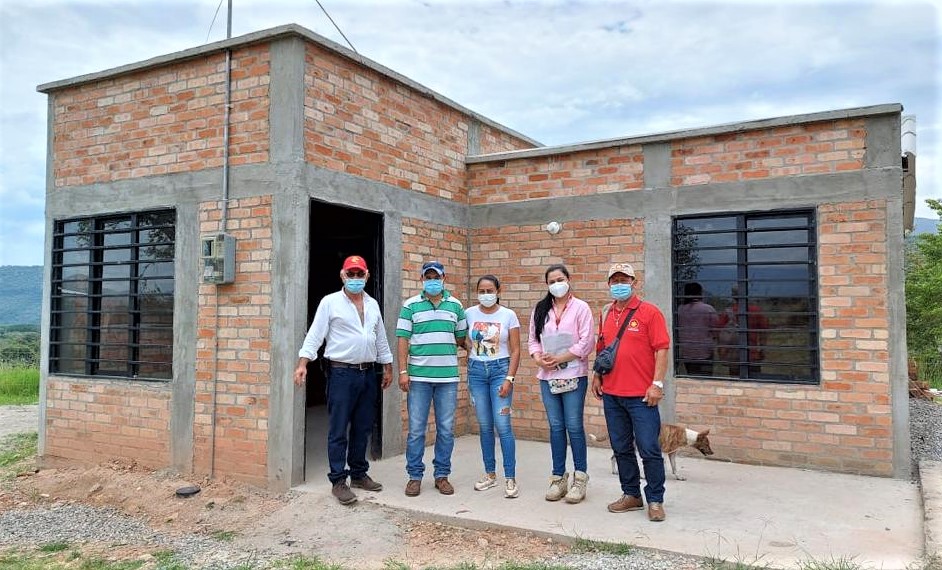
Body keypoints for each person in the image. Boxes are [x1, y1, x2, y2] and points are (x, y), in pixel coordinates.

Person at [294, 255, 394, 505]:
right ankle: (338, 480)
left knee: (363, 426)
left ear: (367, 276)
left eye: (360, 274)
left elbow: (380, 337)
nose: (355, 278)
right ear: (342, 275)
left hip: (368, 373)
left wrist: (388, 367)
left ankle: (359, 473)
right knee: (339, 428)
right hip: (341, 374)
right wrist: (303, 363)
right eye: (351, 274)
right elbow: (315, 334)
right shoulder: (330, 302)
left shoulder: (372, 304)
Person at [590, 262, 671, 522]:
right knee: (621, 447)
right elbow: (603, 348)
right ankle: (631, 495)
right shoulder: (606, 312)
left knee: (649, 448)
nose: (619, 285)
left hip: (642, 396)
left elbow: (662, 349)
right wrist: (597, 375)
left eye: (624, 280)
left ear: (634, 283)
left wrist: (657, 384)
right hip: (612, 394)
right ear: (609, 284)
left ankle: (655, 500)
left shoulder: (650, 312)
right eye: (614, 281)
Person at [397, 261, 468, 497]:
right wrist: (403, 372)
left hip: (448, 379)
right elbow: (403, 339)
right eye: (428, 277)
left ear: (443, 278)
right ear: (422, 280)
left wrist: (481, 348)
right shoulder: (410, 306)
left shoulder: (456, 306)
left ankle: (442, 475)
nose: (432, 281)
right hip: (418, 378)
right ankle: (414, 476)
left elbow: (461, 338)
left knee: (446, 430)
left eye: (436, 277)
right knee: (416, 430)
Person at [527, 264, 594, 504]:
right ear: (547, 285)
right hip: (548, 377)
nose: (557, 284)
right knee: (556, 427)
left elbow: (587, 342)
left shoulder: (581, 308)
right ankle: (558, 478)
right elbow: (533, 341)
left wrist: (561, 358)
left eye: (560, 279)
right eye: (552, 281)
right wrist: (539, 359)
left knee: (574, 426)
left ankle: (580, 478)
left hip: (574, 374)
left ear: (568, 279)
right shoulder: (540, 309)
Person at [465, 274, 521, 498]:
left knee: (503, 425)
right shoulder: (469, 313)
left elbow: (516, 350)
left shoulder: (508, 315)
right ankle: (490, 474)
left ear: (499, 291)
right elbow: (462, 338)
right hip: (477, 372)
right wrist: (469, 350)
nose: (486, 295)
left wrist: (509, 378)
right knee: (485, 425)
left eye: (490, 291)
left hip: (500, 371)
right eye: (482, 291)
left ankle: (510, 477)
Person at [716, 285, 770, 378]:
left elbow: (719, 335)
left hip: (734, 357)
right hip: (752, 356)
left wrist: (721, 352)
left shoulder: (727, 313)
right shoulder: (756, 311)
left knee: (735, 382)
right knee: (755, 382)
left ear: (733, 296)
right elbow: (763, 333)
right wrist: (762, 350)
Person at [676, 282, 719, 376]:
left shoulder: (679, 310)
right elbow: (716, 331)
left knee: (691, 376)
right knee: (705, 378)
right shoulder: (708, 309)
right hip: (704, 351)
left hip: (687, 351)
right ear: (700, 293)